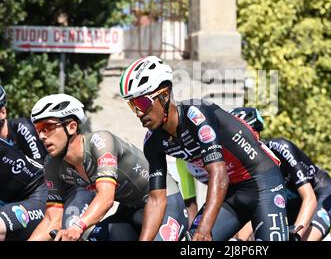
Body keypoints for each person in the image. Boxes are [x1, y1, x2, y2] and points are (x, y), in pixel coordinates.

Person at [119, 56, 289, 241]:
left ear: (164, 95)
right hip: (230, 193)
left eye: (142, 103)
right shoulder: (153, 142)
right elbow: (156, 199)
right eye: (132, 105)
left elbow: (218, 172)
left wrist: (205, 229)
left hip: (263, 183)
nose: (139, 113)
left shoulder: (196, 114)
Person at [28, 93, 187, 241]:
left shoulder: (101, 141)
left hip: (165, 203)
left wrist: (77, 227)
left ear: (71, 127)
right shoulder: (52, 164)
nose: (42, 136)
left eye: (47, 127)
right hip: (128, 212)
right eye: (38, 129)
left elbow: (106, 197)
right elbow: (51, 220)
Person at [229, 107, 331, 241]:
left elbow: (310, 198)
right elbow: (254, 209)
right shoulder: (243, 167)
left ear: (255, 135)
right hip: (287, 205)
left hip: (319, 195)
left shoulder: (281, 148)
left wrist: (296, 236)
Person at [0, 85, 48, 240]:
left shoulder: (23, 128)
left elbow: (44, 170)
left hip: (40, 193)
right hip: (10, 198)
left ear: (3, 112)